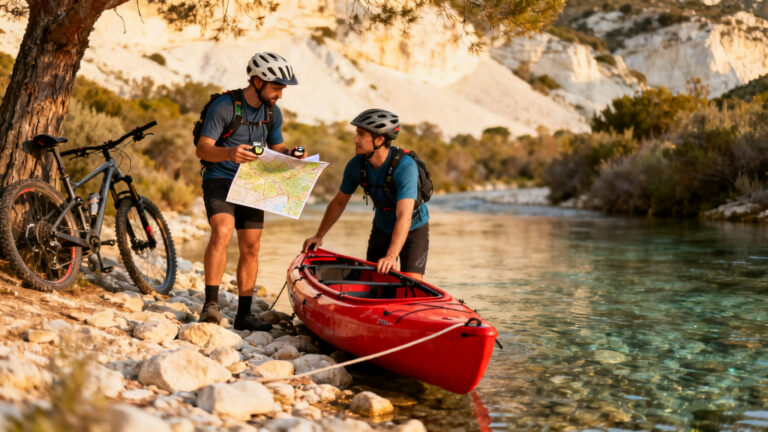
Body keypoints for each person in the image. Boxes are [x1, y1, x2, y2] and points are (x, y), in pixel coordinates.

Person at [196, 51, 304, 330]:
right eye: (277, 87)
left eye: (283, 88)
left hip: (253, 182)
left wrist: (291, 154)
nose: (281, 93)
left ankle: (244, 315)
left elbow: (276, 147)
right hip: (219, 177)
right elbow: (203, 148)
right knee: (222, 231)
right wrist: (230, 153)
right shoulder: (224, 106)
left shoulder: (272, 112)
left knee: (252, 246)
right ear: (257, 81)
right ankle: (211, 305)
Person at [303, 109, 429, 279]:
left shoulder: (405, 167)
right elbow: (339, 202)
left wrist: (391, 256)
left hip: (413, 227)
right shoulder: (356, 165)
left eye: (361, 134)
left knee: (412, 282)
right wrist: (319, 236)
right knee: (375, 280)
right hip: (382, 227)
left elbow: (404, 216)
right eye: (356, 134)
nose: (355, 139)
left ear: (379, 139)